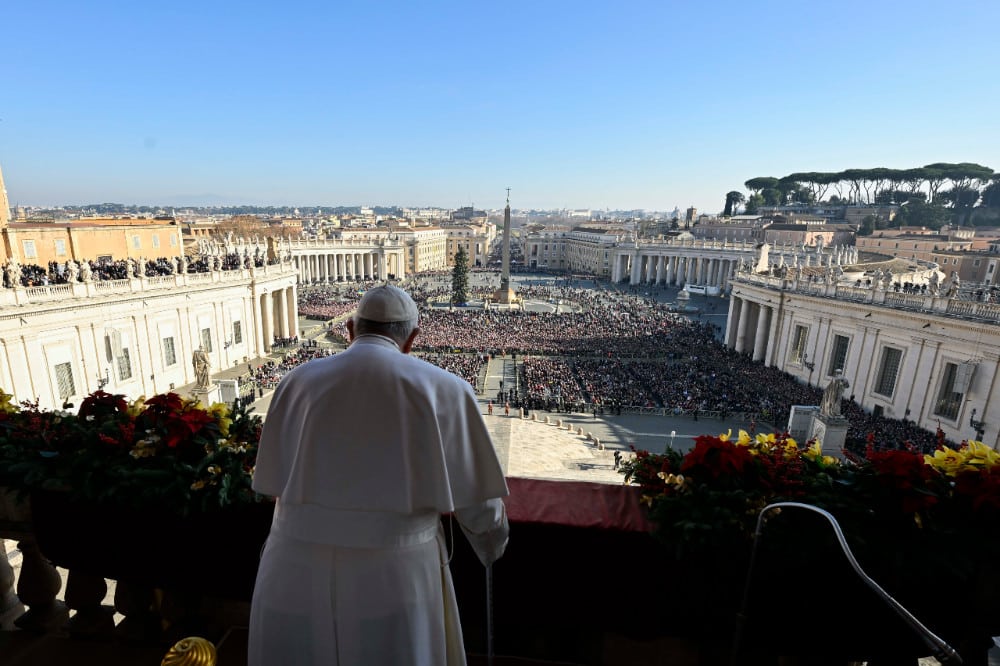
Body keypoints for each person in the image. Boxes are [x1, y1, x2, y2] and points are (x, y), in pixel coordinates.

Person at [249, 284, 509, 666]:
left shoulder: (295, 382)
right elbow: (481, 509)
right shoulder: (446, 389)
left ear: (351, 329)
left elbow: (271, 481)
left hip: (291, 568)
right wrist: (492, 546)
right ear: (412, 340)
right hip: (395, 575)